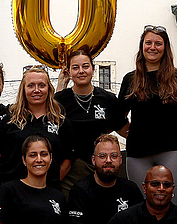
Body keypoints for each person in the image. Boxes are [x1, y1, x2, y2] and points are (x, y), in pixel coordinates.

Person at [118, 26, 177, 205]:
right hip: (137, 154)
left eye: (158, 43)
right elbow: (118, 115)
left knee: (171, 206)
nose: (153, 47)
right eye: (148, 43)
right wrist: (130, 132)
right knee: (141, 207)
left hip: (171, 150)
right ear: (142, 46)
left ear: (165, 48)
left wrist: (167, 125)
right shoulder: (131, 79)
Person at [0, 66, 73, 192]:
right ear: (23, 89)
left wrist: (47, 183)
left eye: (41, 85)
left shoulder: (61, 122)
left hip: (47, 193)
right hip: (11, 191)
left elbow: (67, 162)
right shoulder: (9, 121)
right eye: (31, 85)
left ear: (49, 88)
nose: (36, 90)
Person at [55, 48, 129, 195]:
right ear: (68, 72)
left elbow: (125, 130)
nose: (81, 71)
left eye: (85, 66)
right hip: (70, 169)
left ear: (93, 69)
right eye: (75, 67)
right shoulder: (60, 100)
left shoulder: (108, 99)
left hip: (100, 168)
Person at [68, 133, 144, 224]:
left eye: (114, 156)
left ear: (120, 159)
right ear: (93, 160)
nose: (108, 160)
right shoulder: (80, 190)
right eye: (102, 156)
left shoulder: (131, 190)